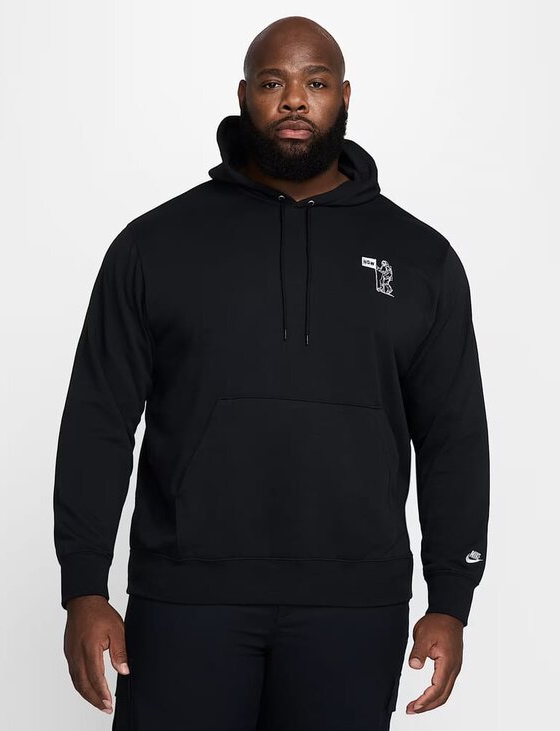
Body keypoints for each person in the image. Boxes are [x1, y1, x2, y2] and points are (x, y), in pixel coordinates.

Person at [53, 15, 490, 731]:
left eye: (314, 83)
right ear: (242, 96)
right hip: (185, 597)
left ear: (343, 96)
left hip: (355, 605)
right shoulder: (154, 244)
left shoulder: (420, 258)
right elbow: (98, 419)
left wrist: (451, 598)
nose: (293, 100)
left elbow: (453, 437)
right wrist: (83, 586)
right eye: (271, 83)